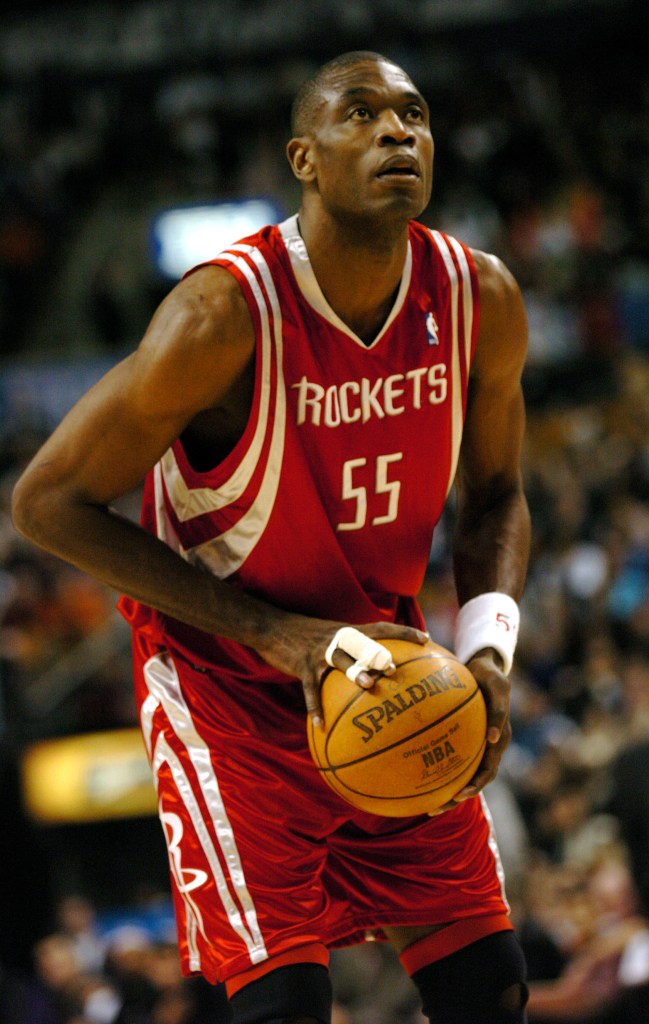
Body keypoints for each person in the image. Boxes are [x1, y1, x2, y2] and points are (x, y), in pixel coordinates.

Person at [12, 50, 531, 1024]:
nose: (396, 132)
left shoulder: (479, 297)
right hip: (225, 695)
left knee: (489, 986)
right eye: (362, 114)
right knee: (284, 1005)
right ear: (304, 156)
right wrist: (266, 631)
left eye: (413, 115)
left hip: (389, 676)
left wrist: (489, 649)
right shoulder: (221, 315)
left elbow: (498, 492)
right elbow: (46, 502)